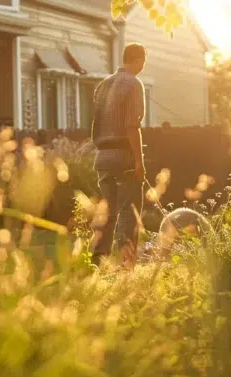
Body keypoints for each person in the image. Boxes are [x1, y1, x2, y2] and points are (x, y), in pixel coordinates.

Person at [88, 42, 148, 269]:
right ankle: (126, 264)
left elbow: (95, 124)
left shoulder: (103, 85)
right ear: (138, 59)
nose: (143, 66)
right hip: (123, 156)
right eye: (143, 61)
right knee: (129, 210)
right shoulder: (133, 84)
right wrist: (139, 161)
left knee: (108, 211)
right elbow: (132, 126)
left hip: (102, 156)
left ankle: (96, 260)